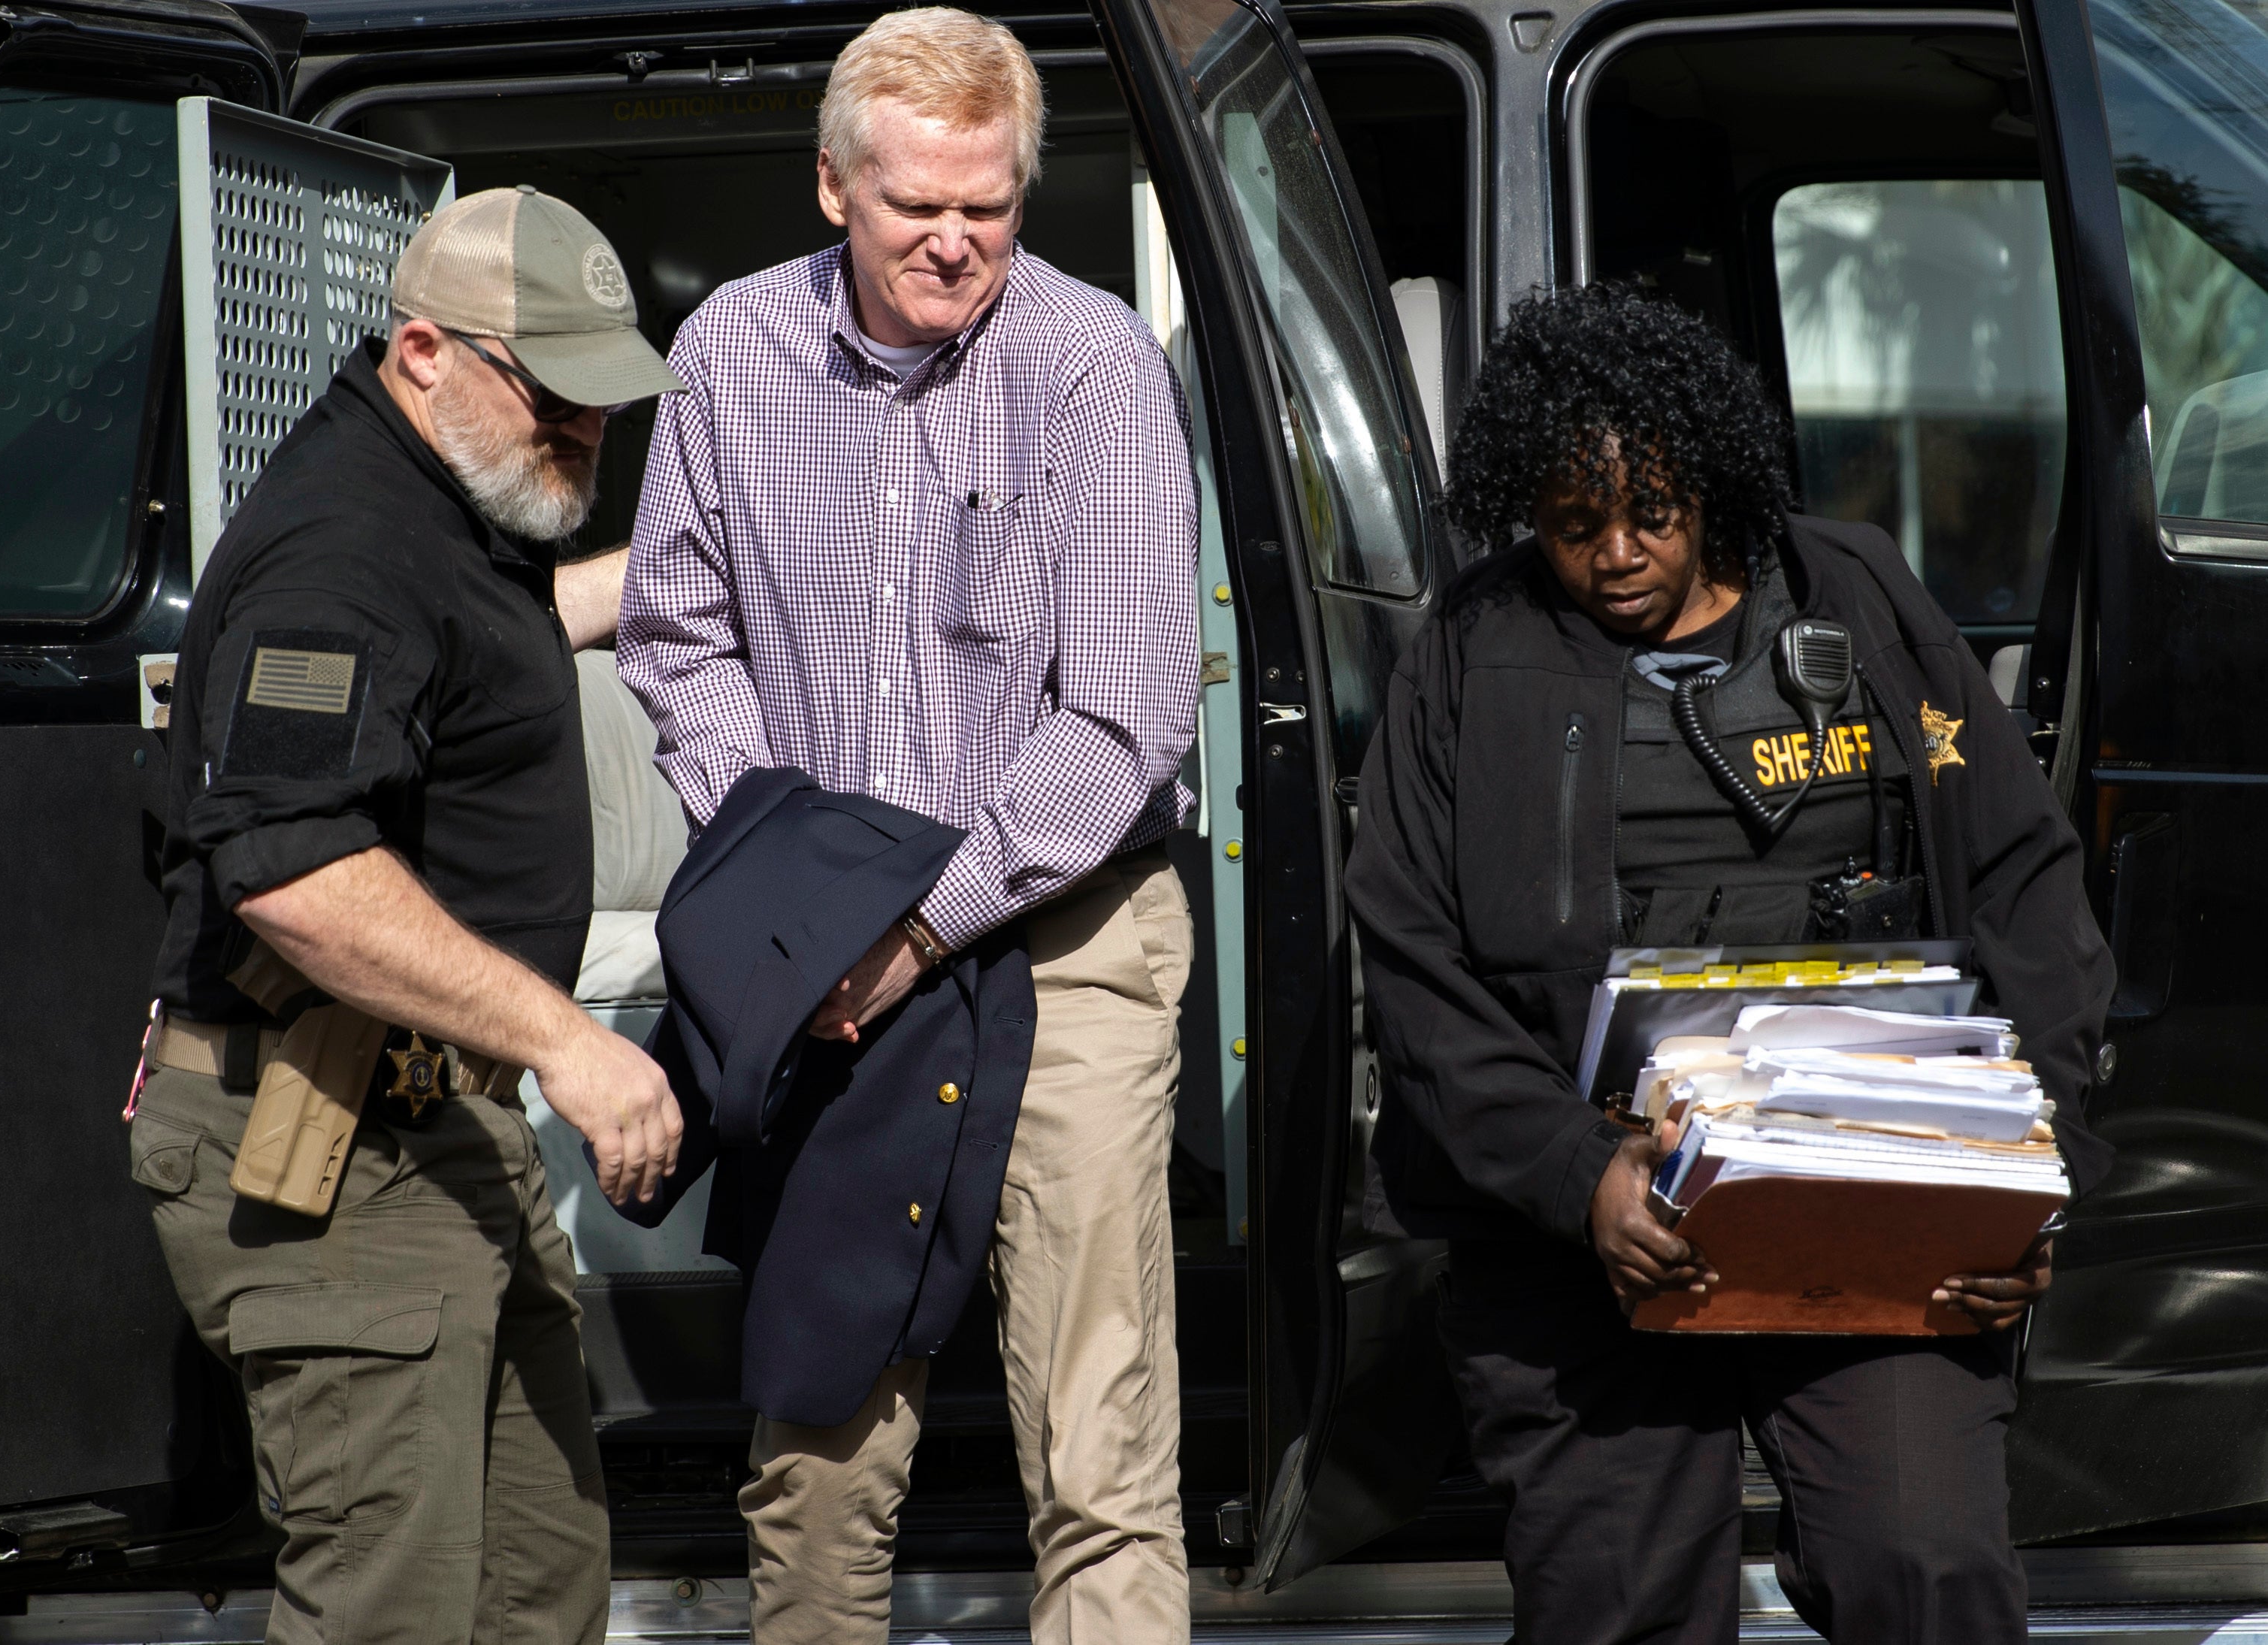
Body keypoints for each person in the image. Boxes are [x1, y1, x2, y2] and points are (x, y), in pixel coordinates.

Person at [1345, 283, 2115, 1644]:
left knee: (1925, 1563)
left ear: (1714, 484)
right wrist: (1581, 1179)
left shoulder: (1857, 593)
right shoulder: (1475, 651)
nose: (1620, 555)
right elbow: (1412, 964)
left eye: (1654, 514)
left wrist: (2017, 1182)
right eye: (1576, 527)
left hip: (1874, 1196)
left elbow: (2025, 882)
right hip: (1587, 1231)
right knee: (1616, 1607)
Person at [618, 10, 1200, 1641]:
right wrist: (786, 869)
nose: (956, 241)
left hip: (1062, 924)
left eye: (991, 208)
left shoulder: (1092, 366)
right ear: (831, 191)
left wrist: (919, 916)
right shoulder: (731, 351)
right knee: (816, 1436)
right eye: (916, 207)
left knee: (1098, 1438)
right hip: (823, 941)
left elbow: (1131, 712)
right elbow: (677, 633)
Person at [126, 186, 689, 1645]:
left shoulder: (438, 501)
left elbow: (454, 650)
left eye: (604, 404)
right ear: (428, 350)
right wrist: (570, 1041)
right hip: (329, 1151)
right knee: (396, 1617)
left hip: (431, 1131)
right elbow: (296, 869)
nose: (584, 434)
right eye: (554, 397)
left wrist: (645, 586)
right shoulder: (344, 553)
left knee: (533, 1591)